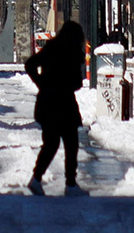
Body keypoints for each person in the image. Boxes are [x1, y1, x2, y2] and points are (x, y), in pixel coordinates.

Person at [25, 20, 88, 197]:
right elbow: (76, 83)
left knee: (51, 144)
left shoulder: (52, 48)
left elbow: (30, 64)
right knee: (71, 144)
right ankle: (70, 183)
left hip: (47, 103)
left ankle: (36, 179)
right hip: (64, 104)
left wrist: (41, 83)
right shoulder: (73, 53)